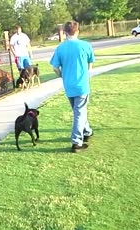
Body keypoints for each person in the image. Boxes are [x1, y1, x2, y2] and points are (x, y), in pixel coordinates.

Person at [49, 21, 95, 153]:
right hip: (82, 85)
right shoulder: (86, 45)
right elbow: (90, 63)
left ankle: (87, 131)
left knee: (78, 111)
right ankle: (76, 142)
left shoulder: (60, 48)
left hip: (69, 85)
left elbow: (54, 67)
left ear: (64, 32)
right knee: (79, 112)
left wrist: (62, 75)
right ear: (78, 31)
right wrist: (86, 74)